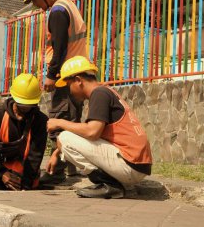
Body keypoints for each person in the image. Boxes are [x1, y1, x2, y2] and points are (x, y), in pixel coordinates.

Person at [46, 56, 152, 198]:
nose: (69, 91)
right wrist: (56, 153)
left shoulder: (99, 94)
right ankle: (116, 184)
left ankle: (110, 185)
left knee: (65, 137)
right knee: (69, 137)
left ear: (78, 81)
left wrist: (59, 122)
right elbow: (90, 131)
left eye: (68, 85)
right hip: (136, 165)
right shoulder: (104, 92)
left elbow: (92, 132)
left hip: (130, 165)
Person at [22, 0, 88, 184]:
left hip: (65, 77)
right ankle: (70, 169)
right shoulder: (70, 5)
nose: (35, 4)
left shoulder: (58, 11)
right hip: (76, 75)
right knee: (71, 122)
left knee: (59, 121)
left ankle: (55, 171)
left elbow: (59, 48)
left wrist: (51, 75)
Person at [0, 73, 48, 190]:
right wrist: (2, 173)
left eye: (29, 106)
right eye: (21, 105)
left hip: (28, 176)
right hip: (0, 174)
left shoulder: (40, 120)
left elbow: (35, 155)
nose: (25, 109)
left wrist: (25, 185)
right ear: (13, 98)